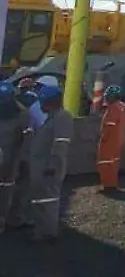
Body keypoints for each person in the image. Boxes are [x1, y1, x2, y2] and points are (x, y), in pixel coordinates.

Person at [27, 83, 73, 242]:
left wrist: (53, 165)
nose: (40, 105)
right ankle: (41, 230)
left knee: (48, 200)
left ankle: (48, 232)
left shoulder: (62, 117)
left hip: (49, 168)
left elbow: (61, 144)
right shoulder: (53, 118)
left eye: (42, 102)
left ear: (50, 102)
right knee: (41, 200)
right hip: (42, 168)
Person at [0, 82, 28, 234]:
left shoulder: (22, 114)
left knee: (7, 192)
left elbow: (27, 137)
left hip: (11, 161)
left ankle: (7, 220)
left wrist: (23, 158)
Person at [96, 85, 125, 192]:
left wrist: (103, 137)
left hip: (109, 140)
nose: (106, 98)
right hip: (119, 139)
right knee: (114, 163)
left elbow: (109, 125)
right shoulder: (123, 106)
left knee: (105, 163)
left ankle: (107, 185)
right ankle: (112, 183)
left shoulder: (113, 108)